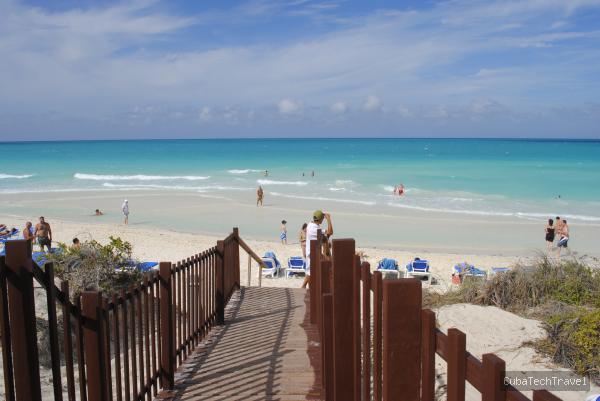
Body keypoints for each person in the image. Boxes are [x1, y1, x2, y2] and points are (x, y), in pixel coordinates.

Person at [301, 210, 333, 289]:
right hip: (312, 252)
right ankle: (304, 286)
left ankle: (306, 286)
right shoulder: (315, 229)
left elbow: (324, 236)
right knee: (311, 272)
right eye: (322, 218)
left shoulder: (310, 224)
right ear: (320, 219)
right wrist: (328, 219)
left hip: (312, 251)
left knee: (311, 271)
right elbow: (330, 232)